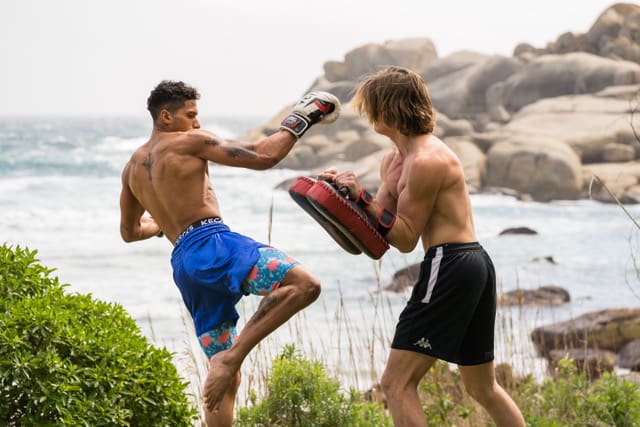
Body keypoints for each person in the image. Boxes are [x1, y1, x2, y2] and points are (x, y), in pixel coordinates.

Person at [119, 80, 340, 426]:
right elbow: (265, 156)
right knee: (303, 285)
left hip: (185, 264)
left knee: (223, 385)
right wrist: (303, 117)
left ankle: (226, 363)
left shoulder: (131, 169)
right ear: (165, 116)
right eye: (190, 115)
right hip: (214, 245)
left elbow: (130, 232)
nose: (196, 123)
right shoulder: (189, 142)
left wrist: (163, 224)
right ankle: (232, 357)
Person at [318, 66, 525, 427]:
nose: (367, 115)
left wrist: (362, 196)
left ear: (388, 110)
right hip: (466, 264)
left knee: (396, 383)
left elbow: (404, 237)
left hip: (452, 262)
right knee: (481, 387)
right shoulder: (394, 161)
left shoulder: (427, 160)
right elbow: (378, 229)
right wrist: (341, 194)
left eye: (371, 106)